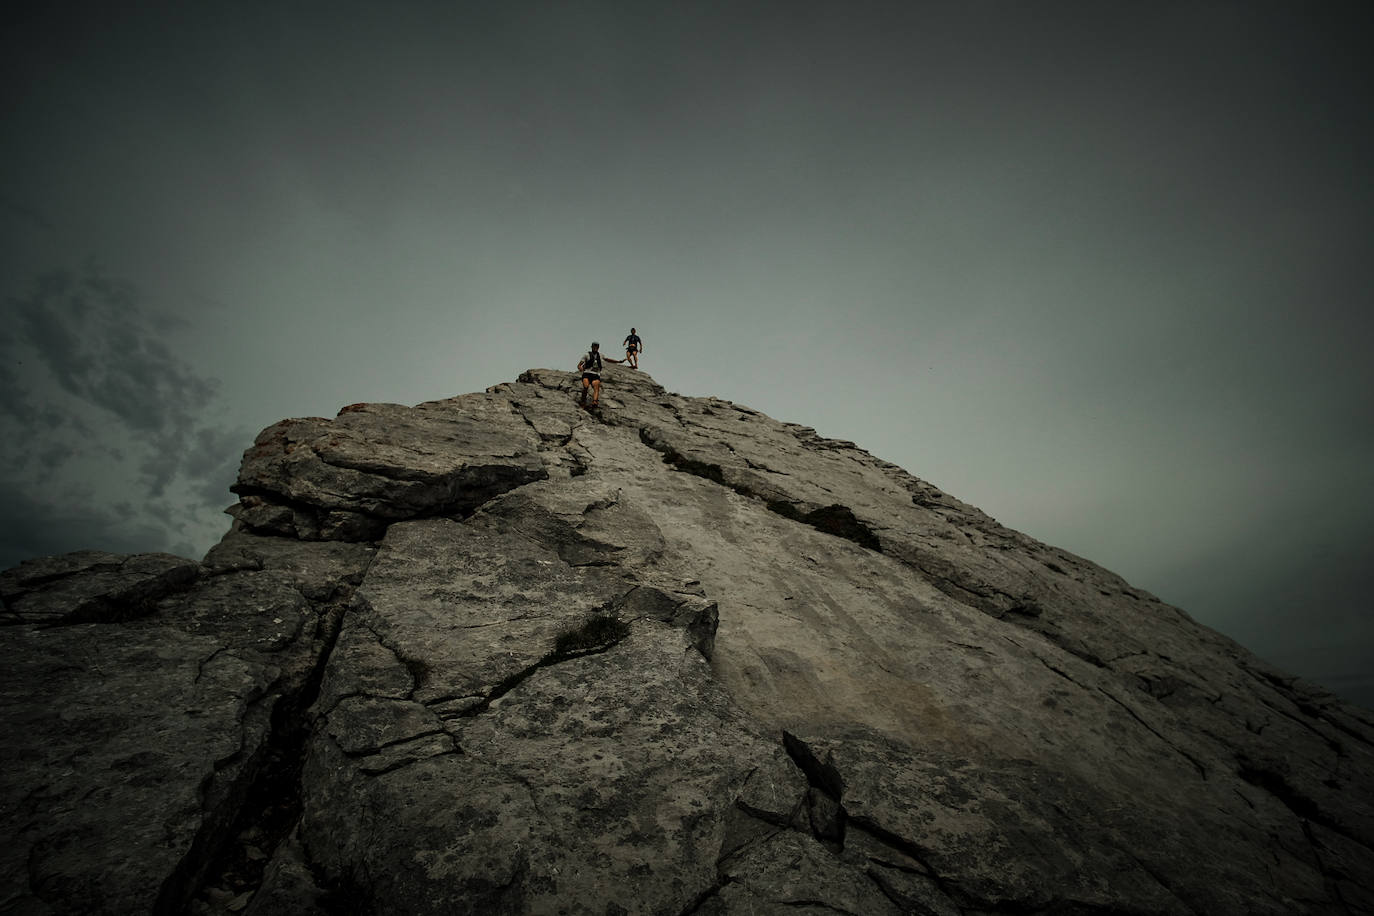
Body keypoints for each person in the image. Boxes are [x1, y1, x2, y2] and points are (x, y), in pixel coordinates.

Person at [576, 341, 621, 407]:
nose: (595, 348)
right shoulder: (587, 355)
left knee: (596, 388)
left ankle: (595, 402)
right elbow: (579, 365)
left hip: (595, 374)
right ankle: (583, 401)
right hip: (587, 373)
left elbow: (608, 359)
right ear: (591, 347)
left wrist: (618, 361)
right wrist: (580, 368)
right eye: (594, 346)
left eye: (596, 346)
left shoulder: (600, 355)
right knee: (586, 386)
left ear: (598, 347)